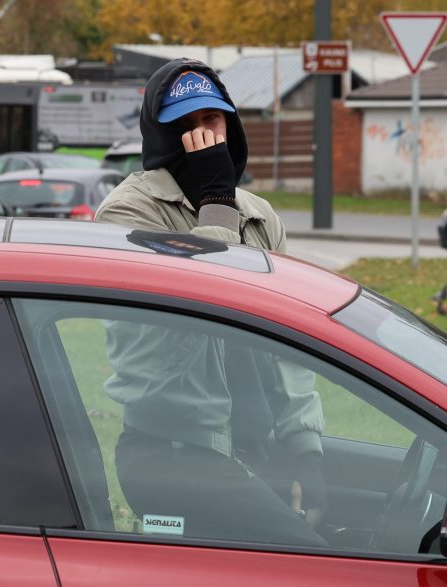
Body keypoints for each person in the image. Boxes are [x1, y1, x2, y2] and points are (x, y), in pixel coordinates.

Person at [95, 58, 327, 546]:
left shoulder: (259, 217)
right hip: (175, 452)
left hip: (253, 441)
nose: (203, 137)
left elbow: (289, 346)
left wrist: (305, 447)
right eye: (185, 125)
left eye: (212, 121)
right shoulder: (126, 213)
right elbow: (177, 332)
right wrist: (216, 204)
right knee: (311, 558)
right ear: (161, 136)